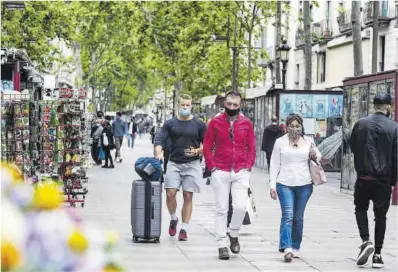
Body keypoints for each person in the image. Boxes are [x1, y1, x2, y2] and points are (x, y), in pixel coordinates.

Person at [203, 91, 256, 260]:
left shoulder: (246, 123)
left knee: (240, 207)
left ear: (240, 105)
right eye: (229, 104)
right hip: (221, 169)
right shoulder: (215, 122)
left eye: (235, 105)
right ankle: (222, 244)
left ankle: (233, 233)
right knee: (221, 209)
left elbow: (252, 146)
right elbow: (207, 145)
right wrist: (212, 167)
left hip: (240, 170)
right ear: (224, 104)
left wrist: (248, 166)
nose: (232, 107)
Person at [349, 93, 397, 268]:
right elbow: (396, 156)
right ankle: (377, 254)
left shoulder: (360, 124)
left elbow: (353, 147)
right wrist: (393, 180)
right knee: (380, 216)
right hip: (383, 180)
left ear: (374, 105)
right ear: (389, 106)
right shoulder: (394, 127)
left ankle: (366, 240)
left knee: (360, 209)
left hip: (363, 177)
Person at [269, 113, 321, 263]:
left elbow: (319, 157)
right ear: (286, 126)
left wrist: (314, 155)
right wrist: (272, 185)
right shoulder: (280, 142)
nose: (294, 129)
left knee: (298, 217)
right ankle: (287, 247)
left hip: (305, 184)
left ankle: (296, 246)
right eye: (291, 126)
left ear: (301, 126)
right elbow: (274, 164)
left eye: (297, 126)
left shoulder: (308, 140)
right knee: (288, 215)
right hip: (284, 183)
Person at [154, 94, 206, 241]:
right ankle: (173, 218)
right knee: (170, 193)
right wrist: (159, 153)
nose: (184, 108)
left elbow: (208, 144)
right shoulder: (170, 123)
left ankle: (184, 228)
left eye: (187, 105)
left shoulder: (199, 124)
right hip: (174, 163)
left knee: (188, 195)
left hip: (192, 164)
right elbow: (160, 139)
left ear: (191, 106)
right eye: (182, 105)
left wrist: (197, 151)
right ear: (179, 106)